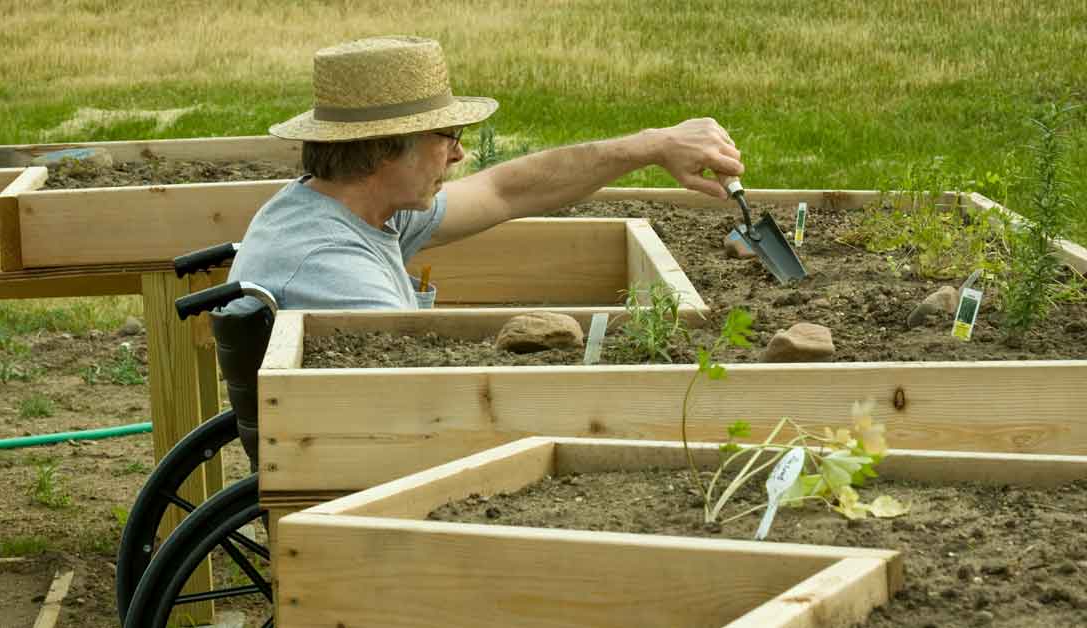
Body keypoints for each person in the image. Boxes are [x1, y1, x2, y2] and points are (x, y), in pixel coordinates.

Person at [214, 35, 744, 465]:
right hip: (374, 461)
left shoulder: (355, 206)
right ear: (383, 149)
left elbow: (507, 190)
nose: (461, 151)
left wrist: (650, 145)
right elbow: (436, 400)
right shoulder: (331, 268)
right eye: (448, 134)